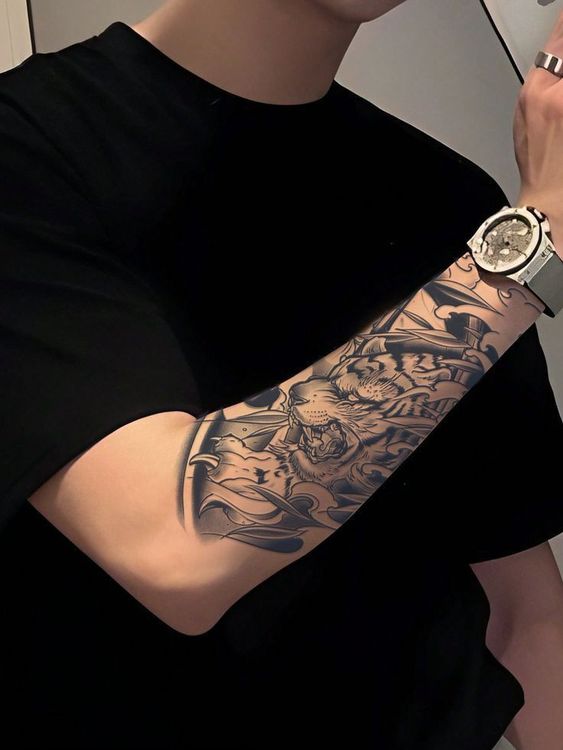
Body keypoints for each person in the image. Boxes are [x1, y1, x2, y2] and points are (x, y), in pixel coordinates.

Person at [1, 0, 563, 747]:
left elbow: (522, 612)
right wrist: (532, 249)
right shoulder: (28, 148)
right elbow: (179, 545)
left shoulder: (449, 202)